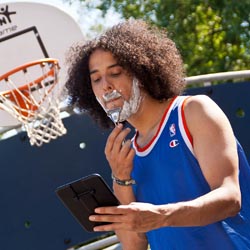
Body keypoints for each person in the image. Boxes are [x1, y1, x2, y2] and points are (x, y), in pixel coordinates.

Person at [65, 19, 250, 250]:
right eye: (96, 79)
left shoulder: (192, 111)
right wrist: (120, 178)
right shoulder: (126, 156)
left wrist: (162, 215)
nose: (106, 86)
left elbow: (230, 198)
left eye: (115, 73)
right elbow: (134, 246)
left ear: (141, 71)